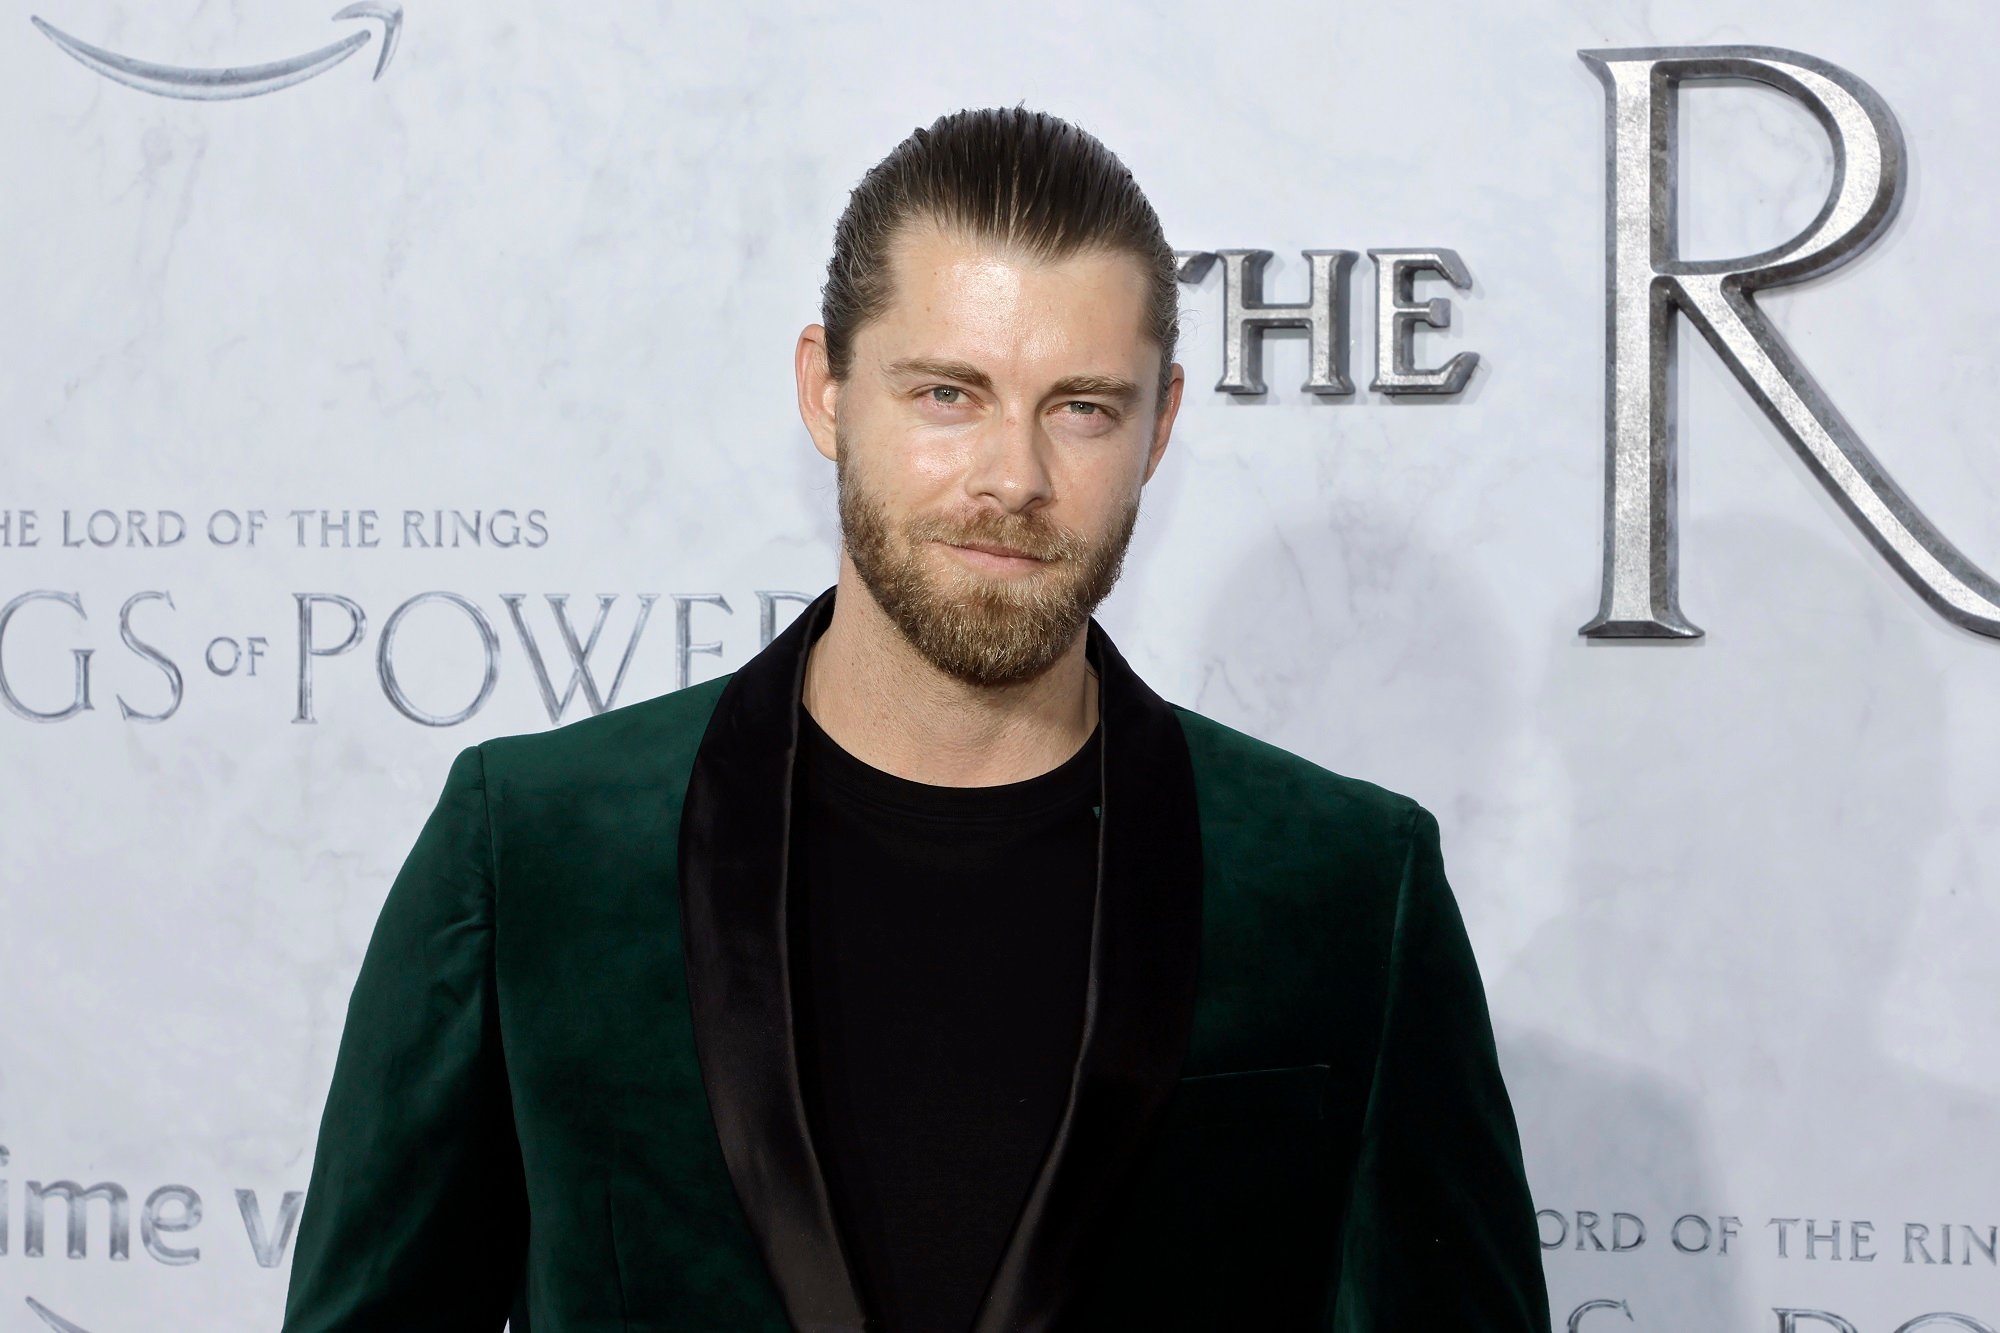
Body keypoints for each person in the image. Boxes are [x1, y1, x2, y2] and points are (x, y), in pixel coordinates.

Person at [280, 106, 1550, 1332]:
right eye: (948, 394)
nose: (1014, 476)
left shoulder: (1343, 887)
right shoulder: (536, 850)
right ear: (826, 391)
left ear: (1159, 428)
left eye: (1082, 407)